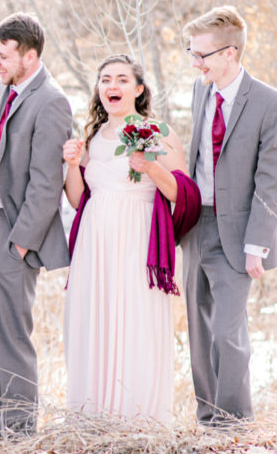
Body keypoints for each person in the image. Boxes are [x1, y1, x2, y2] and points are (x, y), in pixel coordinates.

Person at [62, 55, 198, 424]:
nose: (112, 86)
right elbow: (77, 200)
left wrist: (151, 165)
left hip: (137, 239)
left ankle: (137, 417)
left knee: (134, 318)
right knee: (95, 319)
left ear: (138, 89)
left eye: (122, 79)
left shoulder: (158, 132)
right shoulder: (93, 138)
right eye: (106, 79)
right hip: (95, 242)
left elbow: (183, 193)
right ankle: (93, 414)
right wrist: (72, 165)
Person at [0, 12, 72, 435]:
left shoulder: (52, 102)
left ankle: (19, 432)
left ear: (29, 56)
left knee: (11, 337)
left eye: (3, 55)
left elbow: (46, 184)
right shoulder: (3, 86)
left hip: (14, 232)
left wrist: (21, 245)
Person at [180, 6, 277, 425]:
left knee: (227, 330)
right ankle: (208, 418)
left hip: (238, 233)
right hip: (196, 225)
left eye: (201, 54)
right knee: (199, 332)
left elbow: (271, 181)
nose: (195, 62)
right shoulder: (201, 91)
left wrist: (258, 243)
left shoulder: (269, 103)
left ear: (230, 53)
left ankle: (234, 421)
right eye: (191, 53)